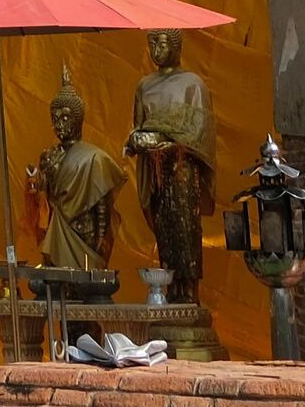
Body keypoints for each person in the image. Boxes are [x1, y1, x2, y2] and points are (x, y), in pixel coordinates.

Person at [124, 28, 215, 300]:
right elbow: (138, 127)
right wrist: (140, 141)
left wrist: (169, 140)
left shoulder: (192, 84)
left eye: (161, 43)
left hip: (183, 172)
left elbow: (200, 131)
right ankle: (170, 290)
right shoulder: (144, 86)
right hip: (157, 172)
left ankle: (189, 293)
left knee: (186, 232)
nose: (156, 50)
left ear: (176, 46)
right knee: (165, 234)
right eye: (151, 44)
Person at [26, 67, 125, 280]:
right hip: (58, 229)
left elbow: (101, 203)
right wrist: (34, 182)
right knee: (59, 281)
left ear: (78, 120)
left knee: (85, 281)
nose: (59, 125)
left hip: (84, 231)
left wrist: (100, 237)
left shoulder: (94, 158)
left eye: (65, 118)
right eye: (55, 118)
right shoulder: (49, 156)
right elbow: (43, 195)